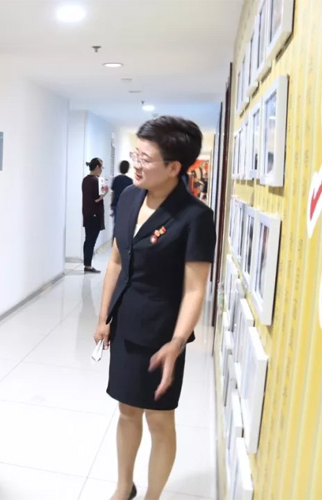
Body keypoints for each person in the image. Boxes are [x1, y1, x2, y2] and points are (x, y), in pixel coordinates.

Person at [93, 116, 215, 500]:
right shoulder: (130, 196)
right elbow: (116, 260)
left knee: (160, 420)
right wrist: (104, 317)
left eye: (145, 158)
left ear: (174, 167)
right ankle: (123, 486)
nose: (137, 164)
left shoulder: (195, 217)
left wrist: (177, 343)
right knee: (127, 410)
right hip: (126, 324)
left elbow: (195, 289)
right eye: (136, 154)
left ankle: (153, 495)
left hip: (163, 334)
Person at [82, 157, 105, 273]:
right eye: (101, 167)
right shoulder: (95, 181)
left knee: (88, 239)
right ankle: (88, 265)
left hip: (87, 214)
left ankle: (87, 263)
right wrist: (104, 193)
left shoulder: (85, 180)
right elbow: (96, 199)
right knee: (91, 240)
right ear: (97, 167)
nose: (102, 170)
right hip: (95, 214)